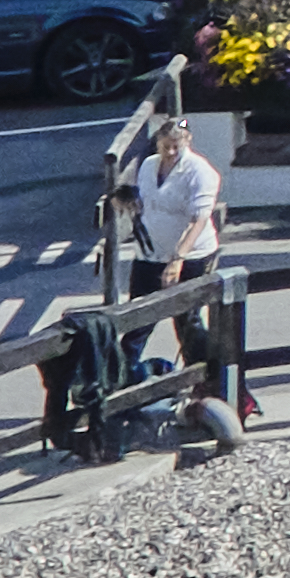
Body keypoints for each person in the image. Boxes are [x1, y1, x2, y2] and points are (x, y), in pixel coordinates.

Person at [119, 106, 234, 450]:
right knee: (138, 317)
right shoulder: (150, 166)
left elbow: (199, 219)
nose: (171, 151)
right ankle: (124, 387)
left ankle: (205, 380)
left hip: (190, 255)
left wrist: (178, 258)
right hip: (150, 253)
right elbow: (147, 202)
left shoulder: (201, 172)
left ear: (187, 141)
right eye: (166, 144)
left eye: (176, 144)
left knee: (186, 321)